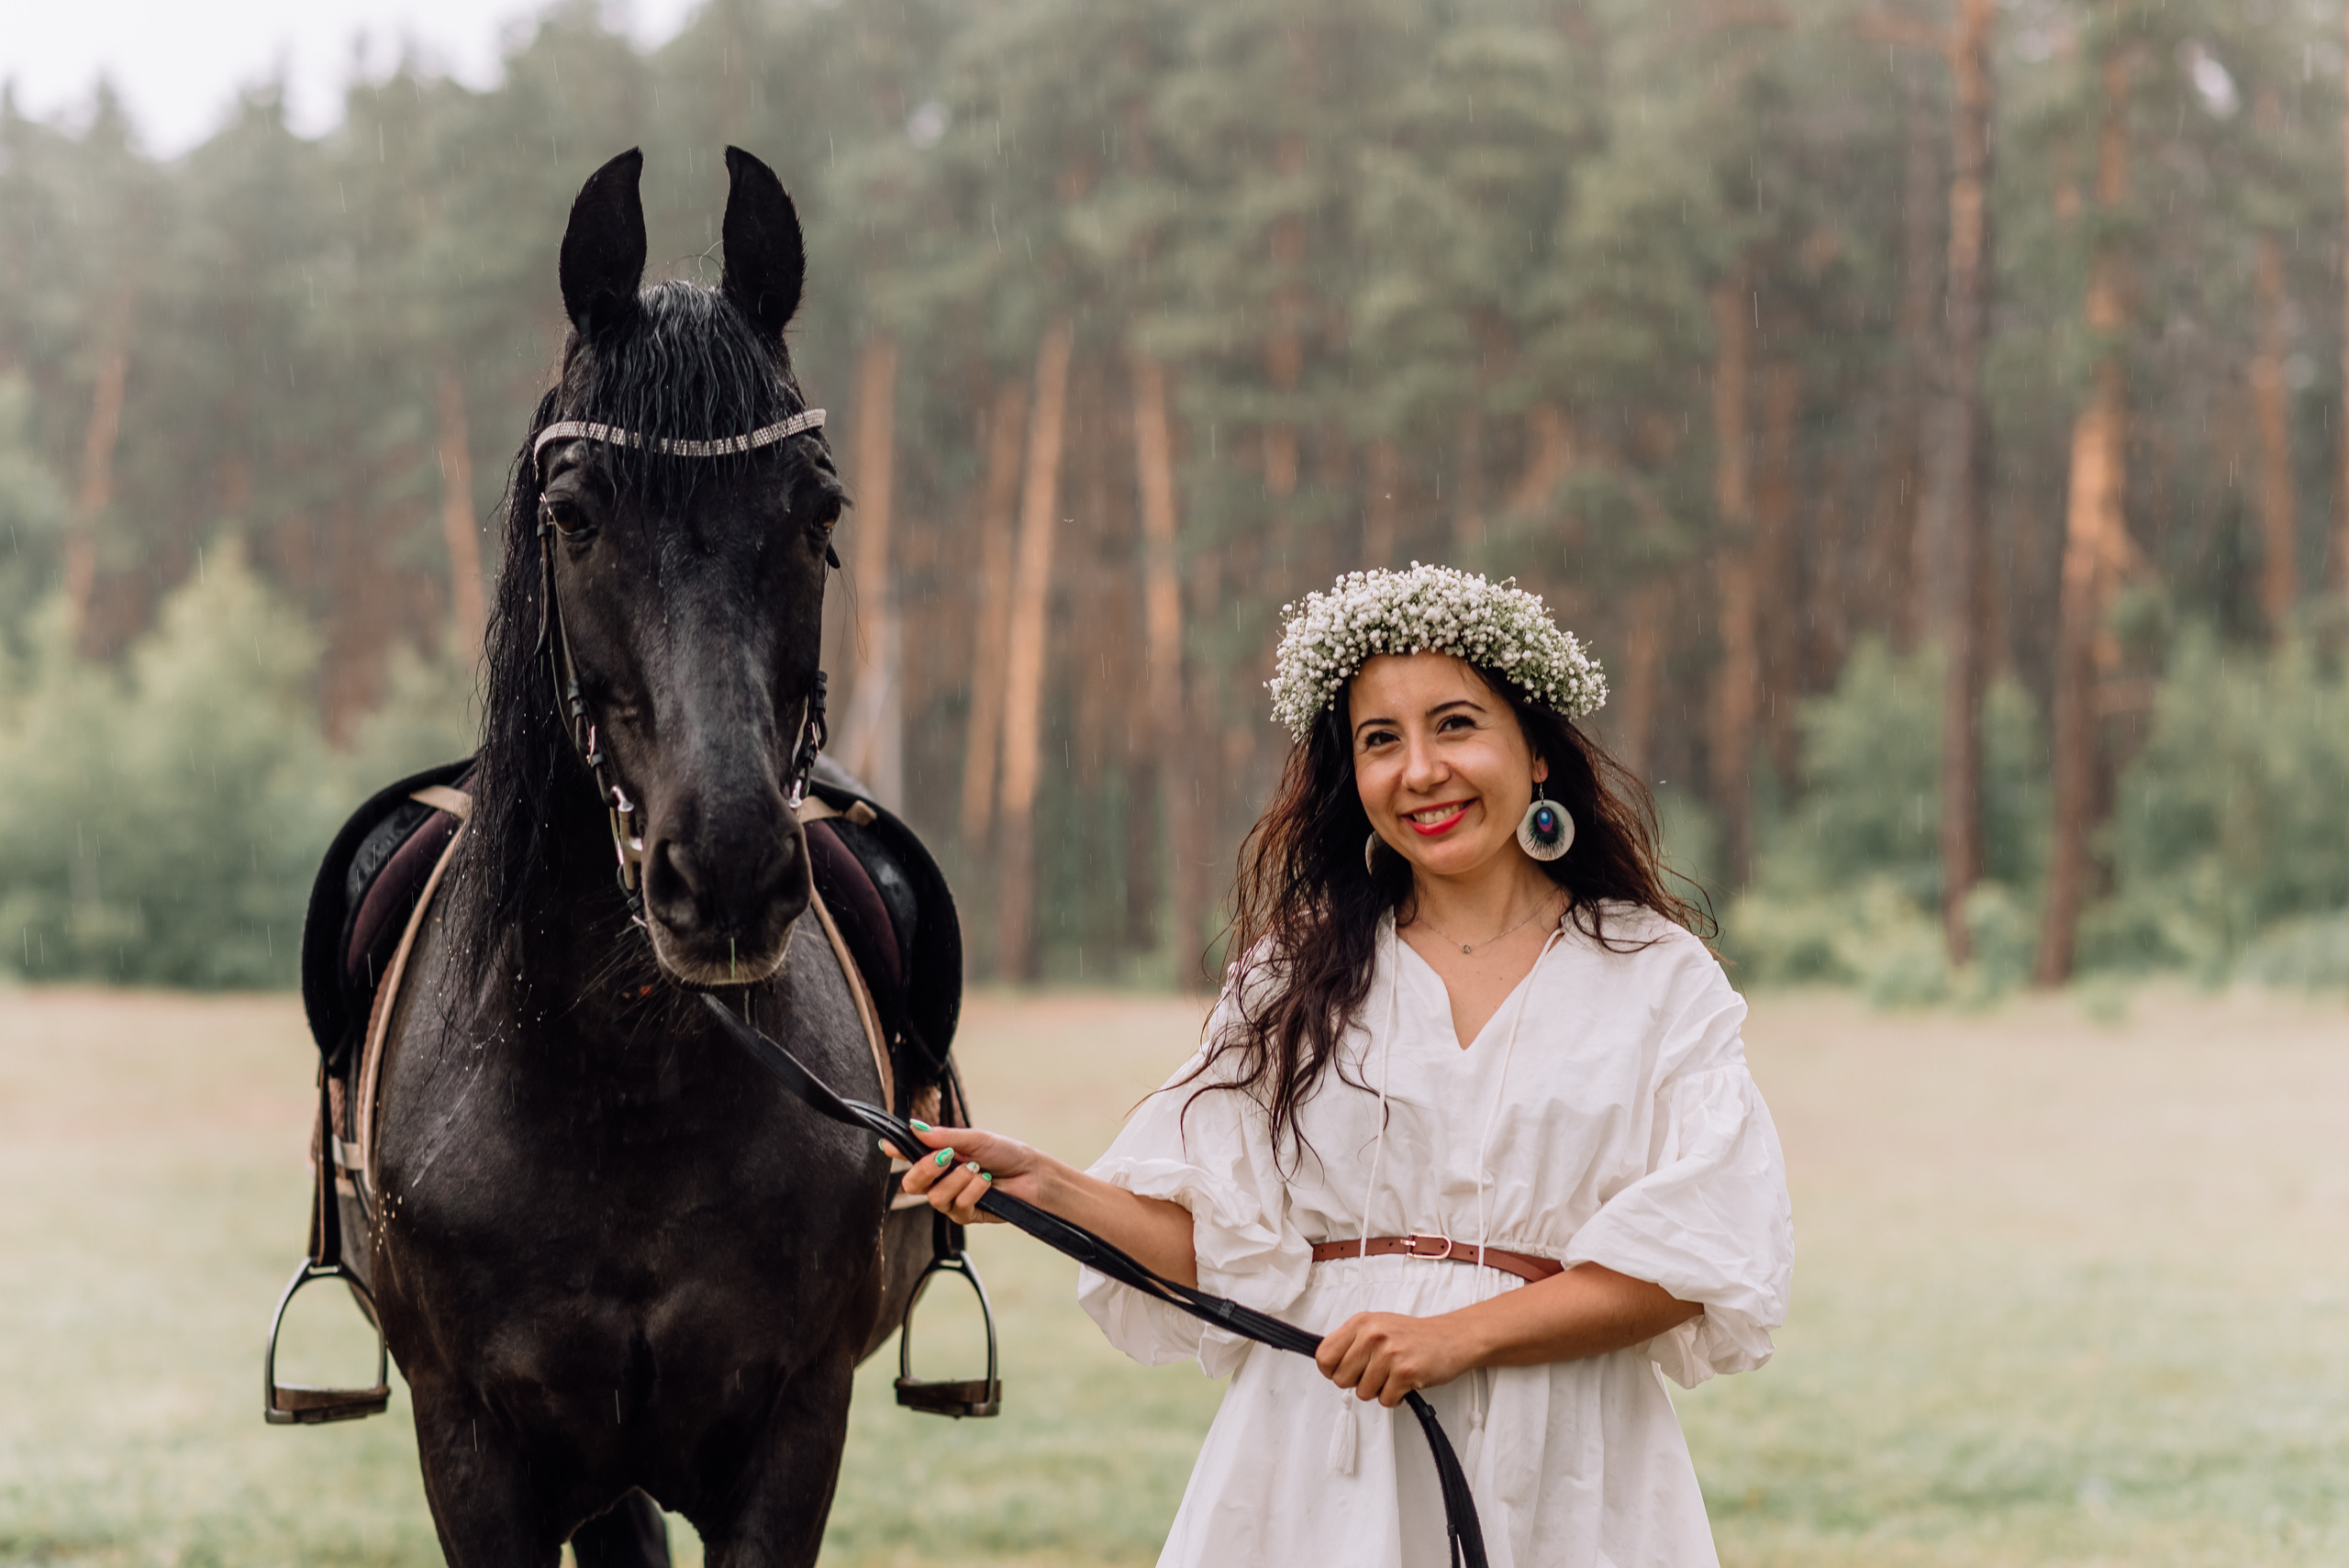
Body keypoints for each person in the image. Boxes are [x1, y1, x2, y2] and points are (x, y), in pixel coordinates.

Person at [892, 564, 1794, 1567]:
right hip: (1319, 1464)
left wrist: (1461, 1335)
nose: (1419, 771)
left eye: (1455, 724)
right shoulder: (1293, 974)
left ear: (1535, 750)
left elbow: (1691, 1260)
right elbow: (1222, 1246)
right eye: (1380, 740)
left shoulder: (1653, 977)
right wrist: (1048, 1183)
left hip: (1569, 1466)